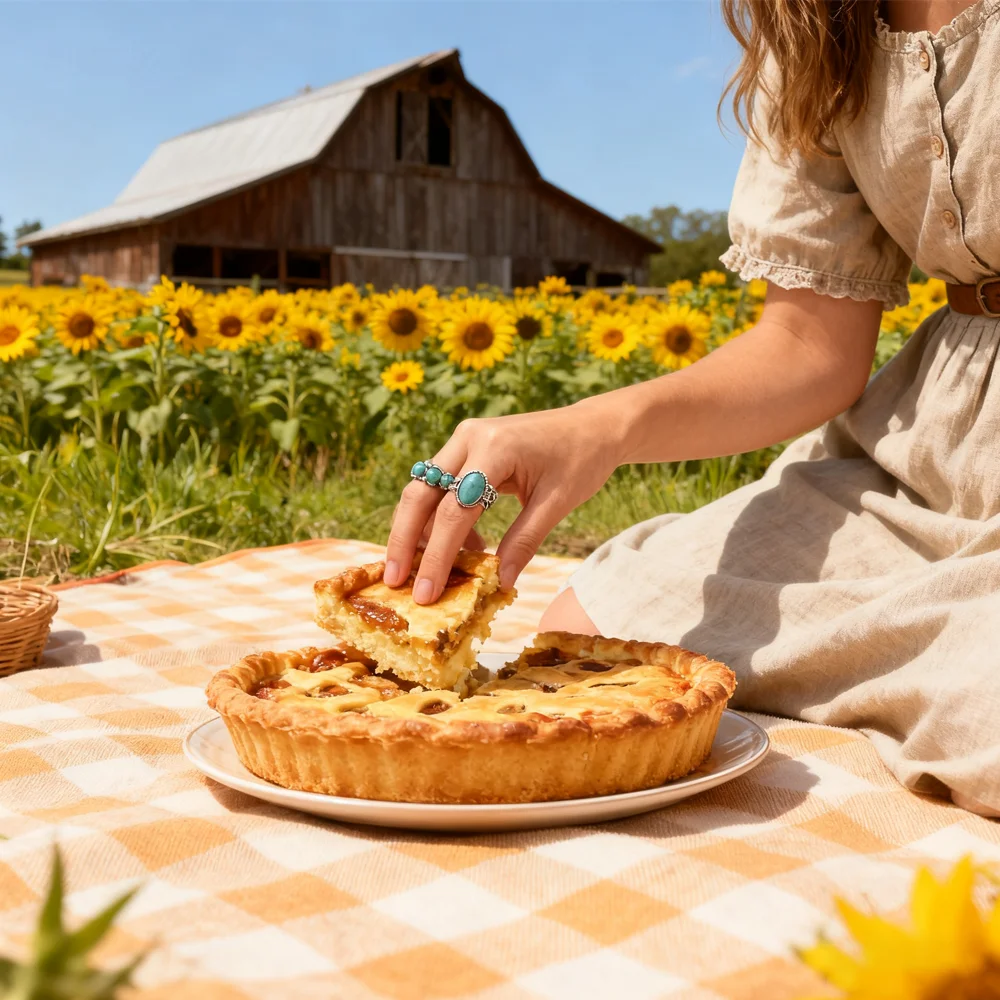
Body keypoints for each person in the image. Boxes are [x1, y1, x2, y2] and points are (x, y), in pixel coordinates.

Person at [384, 0, 1000, 817]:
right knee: (599, 643)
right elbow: (811, 346)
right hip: (938, 449)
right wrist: (591, 427)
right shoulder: (816, 21)